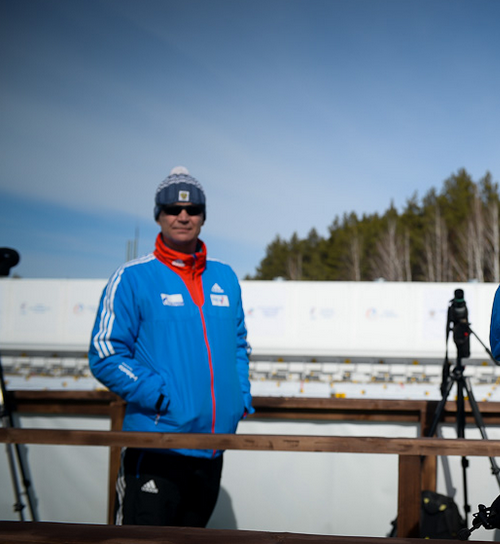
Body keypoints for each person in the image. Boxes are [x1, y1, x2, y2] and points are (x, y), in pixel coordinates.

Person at [88, 166, 254, 527]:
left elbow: (239, 345)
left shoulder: (224, 276)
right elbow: (105, 352)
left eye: (193, 209)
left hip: (212, 448)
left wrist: (239, 394)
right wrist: (161, 396)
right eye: (172, 209)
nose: (183, 215)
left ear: (203, 217)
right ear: (158, 216)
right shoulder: (132, 277)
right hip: (157, 444)